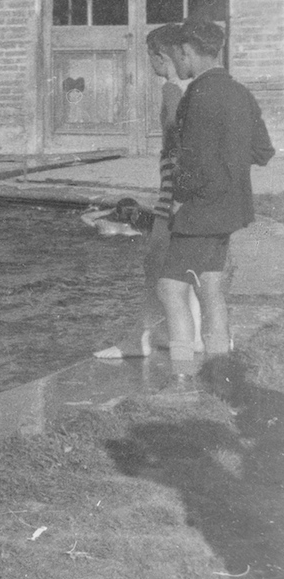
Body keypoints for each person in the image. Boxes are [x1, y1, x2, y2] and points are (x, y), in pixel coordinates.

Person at [157, 19, 274, 385]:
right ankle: (219, 375)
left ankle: (181, 381)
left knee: (170, 288)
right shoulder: (241, 92)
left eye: (179, 55)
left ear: (187, 51)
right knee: (209, 286)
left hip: (200, 209)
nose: (178, 63)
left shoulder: (198, 93)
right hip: (231, 209)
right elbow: (263, 151)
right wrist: (229, 157)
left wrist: (179, 201)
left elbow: (190, 160)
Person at [95, 25, 203, 360]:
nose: (150, 63)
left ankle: (136, 342)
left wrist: (175, 201)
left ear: (161, 56)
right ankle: (194, 337)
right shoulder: (199, 88)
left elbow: (177, 146)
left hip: (174, 196)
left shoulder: (172, 92)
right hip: (196, 196)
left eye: (150, 56)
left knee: (154, 269)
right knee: (185, 272)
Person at [80, 198, 154, 238]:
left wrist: (109, 211)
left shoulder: (104, 224)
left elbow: (85, 217)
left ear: (117, 212)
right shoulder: (138, 233)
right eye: (137, 212)